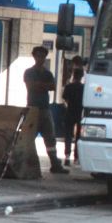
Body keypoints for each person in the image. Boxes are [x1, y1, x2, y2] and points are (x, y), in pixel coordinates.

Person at [24, 45, 68, 174]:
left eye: (42, 56)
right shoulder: (29, 72)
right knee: (29, 137)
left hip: (45, 109)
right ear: (34, 56)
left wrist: (39, 85)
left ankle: (55, 164)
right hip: (32, 109)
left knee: (50, 138)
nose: (40, 58)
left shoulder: (48, 73)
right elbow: (31, 86)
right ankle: (27, 163)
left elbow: (53, 87)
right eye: (38, 56)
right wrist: (44, 86)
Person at [62, 63, 85, 164]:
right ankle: (77, 158)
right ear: (81, 77)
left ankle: (67, 156)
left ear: (73, 75)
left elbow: (65, 99)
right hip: (80, 113)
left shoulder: (68, 87)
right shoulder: (84, 88)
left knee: (68, 135)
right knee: (79, 136)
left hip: (70, 111)